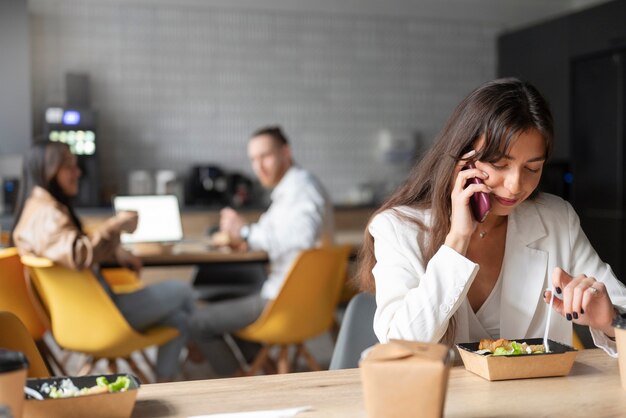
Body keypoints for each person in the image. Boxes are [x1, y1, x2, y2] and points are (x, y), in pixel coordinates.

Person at [358, 78, 626, 355]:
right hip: (445, 397)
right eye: (499, 165)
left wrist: (610, 321)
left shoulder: (556, 219)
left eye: (532, 169)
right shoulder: (397, 227)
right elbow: (401, 346)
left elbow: (621, 310)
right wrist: (457, 241)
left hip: (539, 396)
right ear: (463, 159)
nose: (515, 185)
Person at [11, 140, 195, 381]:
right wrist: (114, 226)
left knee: (179, 321)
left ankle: (166, 384)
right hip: (100, 319)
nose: (78, 173)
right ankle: (199, 346)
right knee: (182, 291)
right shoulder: (47, 214)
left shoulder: (39, 209)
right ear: (46, 170)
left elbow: (71, 246)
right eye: (69, 166)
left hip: (81, 318)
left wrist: (114, 251)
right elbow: (78, 253)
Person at [189, 125, 334, 374]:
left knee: (197, 322)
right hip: (299, 298)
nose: (259, 167)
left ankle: (242, 388)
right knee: (226, 304)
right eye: (254, 160)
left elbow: (301, 237)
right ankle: (263, 371)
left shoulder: (302, 189)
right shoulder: (290, 190)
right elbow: (271, 232)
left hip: (286, 300)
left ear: (286, 152)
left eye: (265, 156)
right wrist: (244, 235)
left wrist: (244, 231)